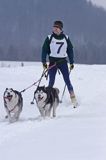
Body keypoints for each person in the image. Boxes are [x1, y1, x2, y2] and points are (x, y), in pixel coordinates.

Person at [41, 20, 77, 107]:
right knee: (51, 81)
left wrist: (71, 62)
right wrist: (43, 61)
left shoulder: (66, 38)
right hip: (52, 62)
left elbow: (70, 51)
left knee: (67, 81)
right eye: (54, 28)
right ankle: (48, 99)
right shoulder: (49, 38)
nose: (55, 29)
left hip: (63, 62)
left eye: (57, 28)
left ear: (61, 29)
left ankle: (73, 99)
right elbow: (44, 50)